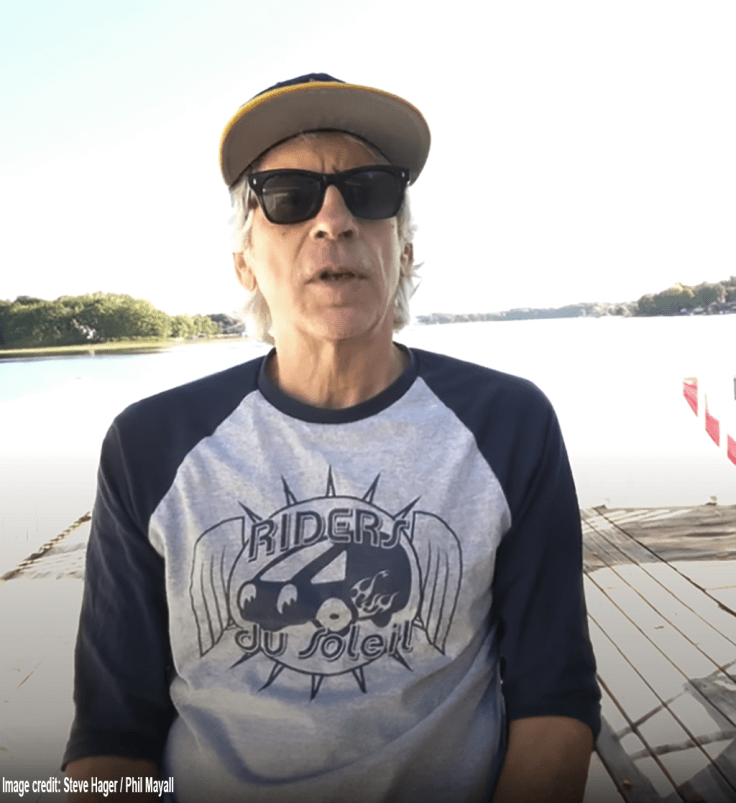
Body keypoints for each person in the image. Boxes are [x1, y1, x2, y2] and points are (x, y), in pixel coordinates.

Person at [63, 73, 601, 802]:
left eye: (371, 190)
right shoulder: (150, 445)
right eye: (288, 196)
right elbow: (112, 733)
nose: (334, 219)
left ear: (402, 247)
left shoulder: (510, 424)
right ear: (244, 259)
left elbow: (554, 697)